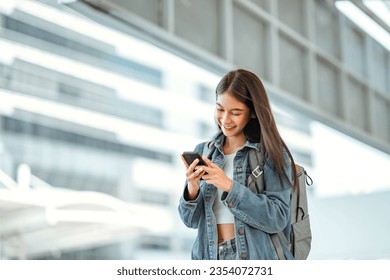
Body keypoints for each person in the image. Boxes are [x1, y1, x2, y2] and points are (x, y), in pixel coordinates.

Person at [178, 69, 297, 260]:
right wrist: (192, 189)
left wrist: (228, 186)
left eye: (235, 112)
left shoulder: (270, 154)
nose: (225, 120)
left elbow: (278, 218)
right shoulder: (204, 151)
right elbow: (189, 221)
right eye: (220, 109)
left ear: (252, 113)